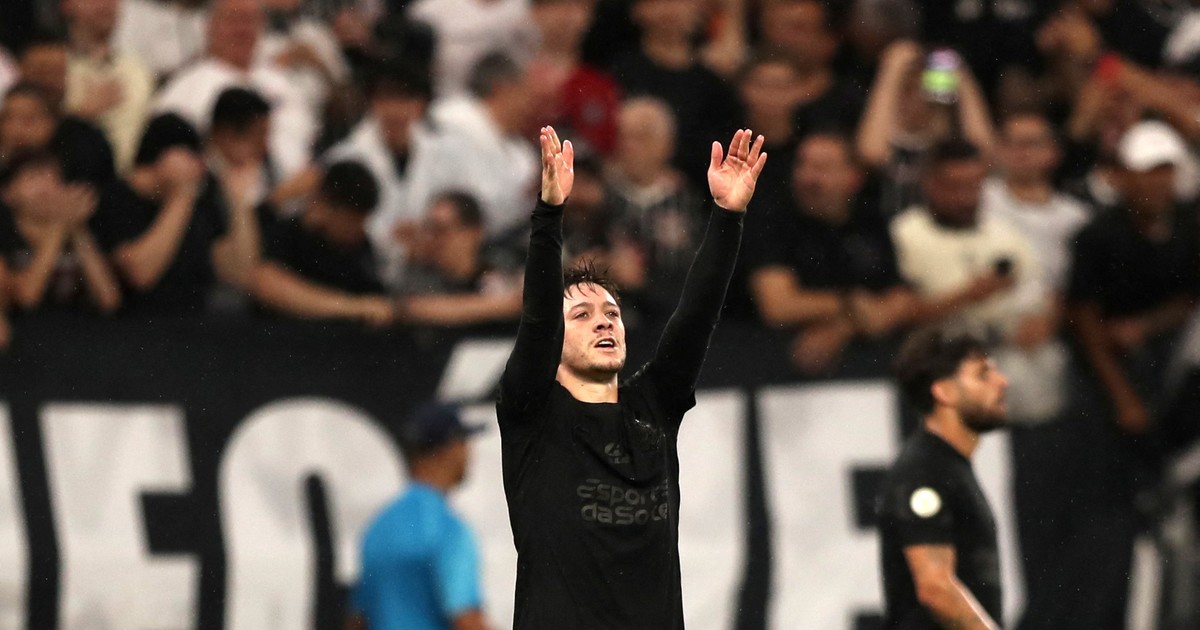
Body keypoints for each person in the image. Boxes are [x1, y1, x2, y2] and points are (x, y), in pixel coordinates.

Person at [495, 125, 765, 627]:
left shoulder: (653, 407)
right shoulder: (532, 413)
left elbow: (696, 316)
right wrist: (550, 212)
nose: (603, 322)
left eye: (612, 314)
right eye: (581, 315)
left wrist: (728, 216)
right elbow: (536, 322)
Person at [877, 329, 1008, 630]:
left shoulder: (948, 467)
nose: (1002, 381)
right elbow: (936, 589)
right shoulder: (923, 472)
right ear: (944, 392)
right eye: (983, 374)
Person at [347, 403, 489, 630]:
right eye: (463, 441)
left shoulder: (377, 528)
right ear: (448, 449)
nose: (469, 452)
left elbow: (358, 622)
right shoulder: (448, 529)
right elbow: (466, 620)